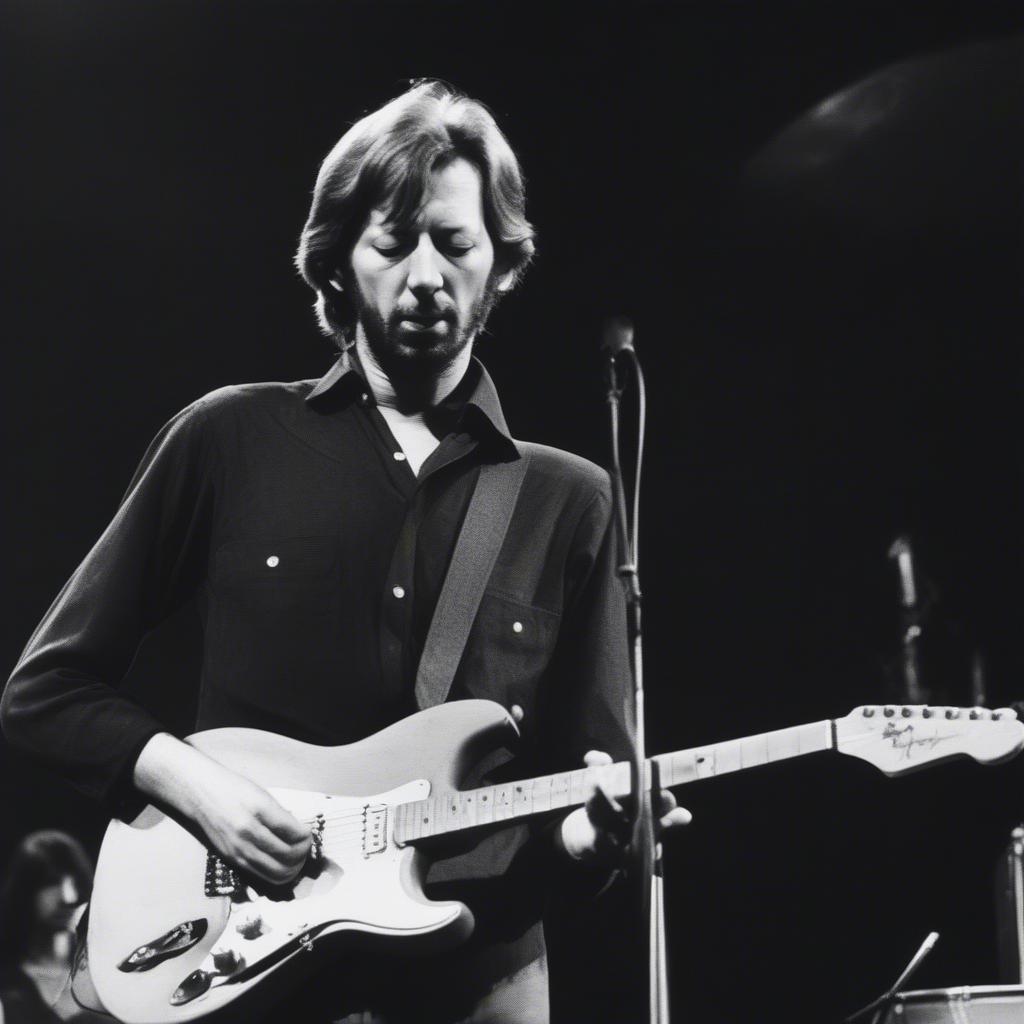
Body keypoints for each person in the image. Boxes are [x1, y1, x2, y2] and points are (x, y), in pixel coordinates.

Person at [1, 81, 687, 1022]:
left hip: (481, 977)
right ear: (335, 266)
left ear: (500, 266)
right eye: (391, 243)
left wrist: (594, 839)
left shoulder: (570, 499)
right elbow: (44, 693)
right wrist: (201, 791)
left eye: (455, 244)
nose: (424, 275)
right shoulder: (230, 439)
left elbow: (589, 802)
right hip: (253, 977)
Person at [0, 831, 106, 1024]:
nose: (69, 897)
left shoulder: (102, 972)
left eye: (74, 881)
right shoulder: (7, 981)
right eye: (51, 882)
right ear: (25, 890)